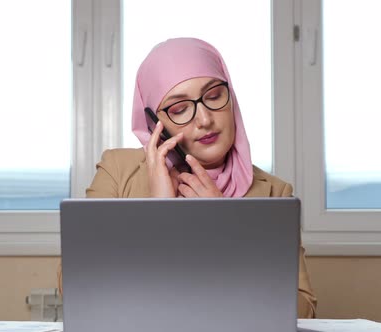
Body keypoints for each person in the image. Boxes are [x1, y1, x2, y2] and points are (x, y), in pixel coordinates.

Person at [85, 37, 317, 318]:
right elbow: (77, 287)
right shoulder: (118, 171)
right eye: (180, 109)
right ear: (154, 124)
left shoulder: (276, 194)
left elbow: (303, 311)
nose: (205, 119)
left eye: (214, 96)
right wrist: (157, 212)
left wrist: (222, 230)